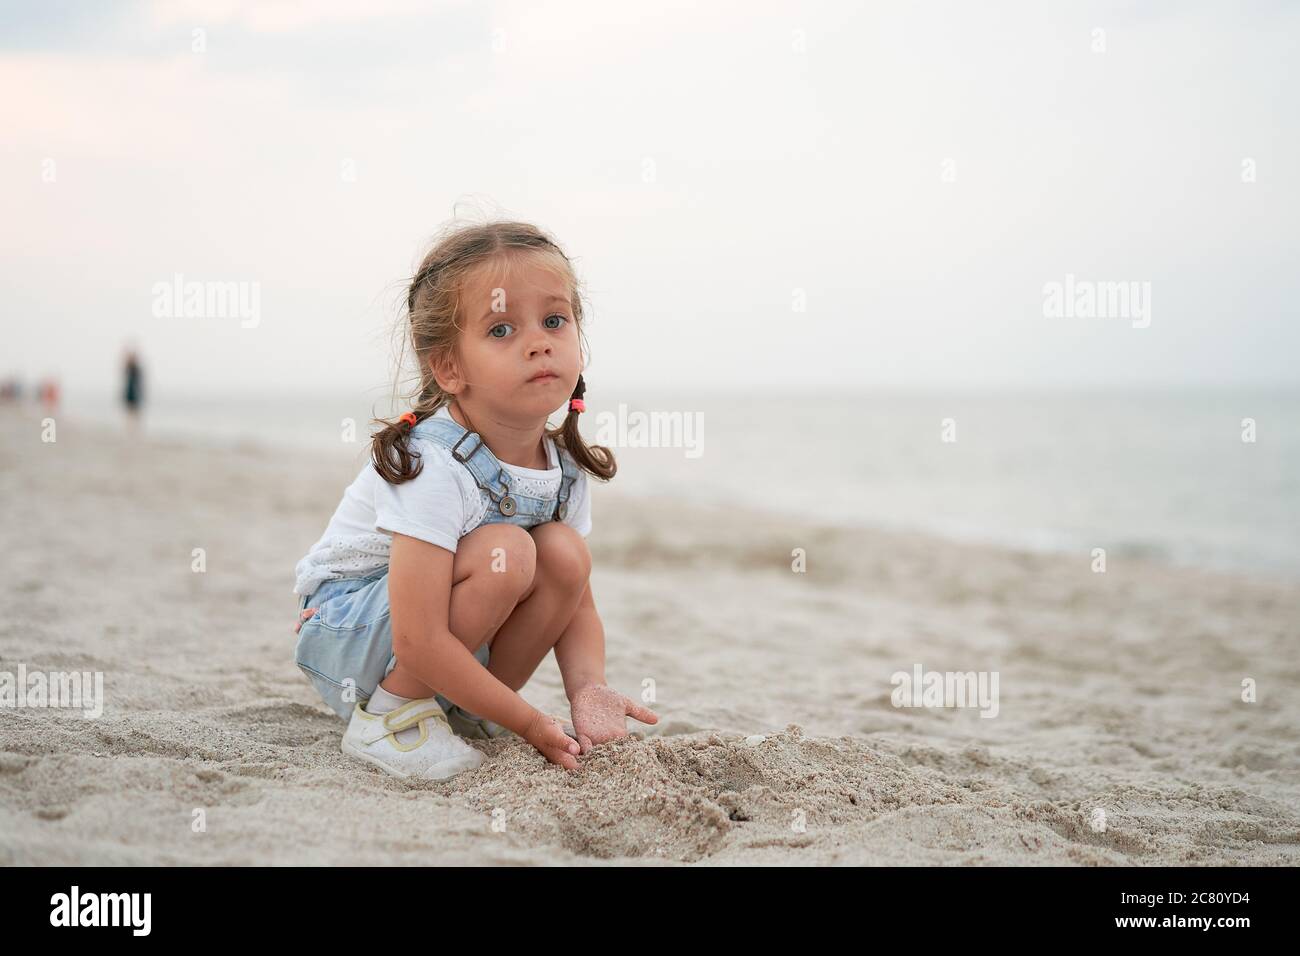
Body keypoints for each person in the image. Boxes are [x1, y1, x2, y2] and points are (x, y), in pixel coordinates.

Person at [292, 220, 658, 781]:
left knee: (562, 552)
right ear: (449, 368)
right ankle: (390, 715)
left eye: (555, 320)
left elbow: (577, 603)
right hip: (353, 634)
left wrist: (589, 688)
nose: (538, 341)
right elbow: (417, 638)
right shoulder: (434, 464)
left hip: (440, 642)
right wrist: (532, 723)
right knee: (507, 551)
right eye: (502, 329)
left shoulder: (562, 466)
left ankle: (460, 710)